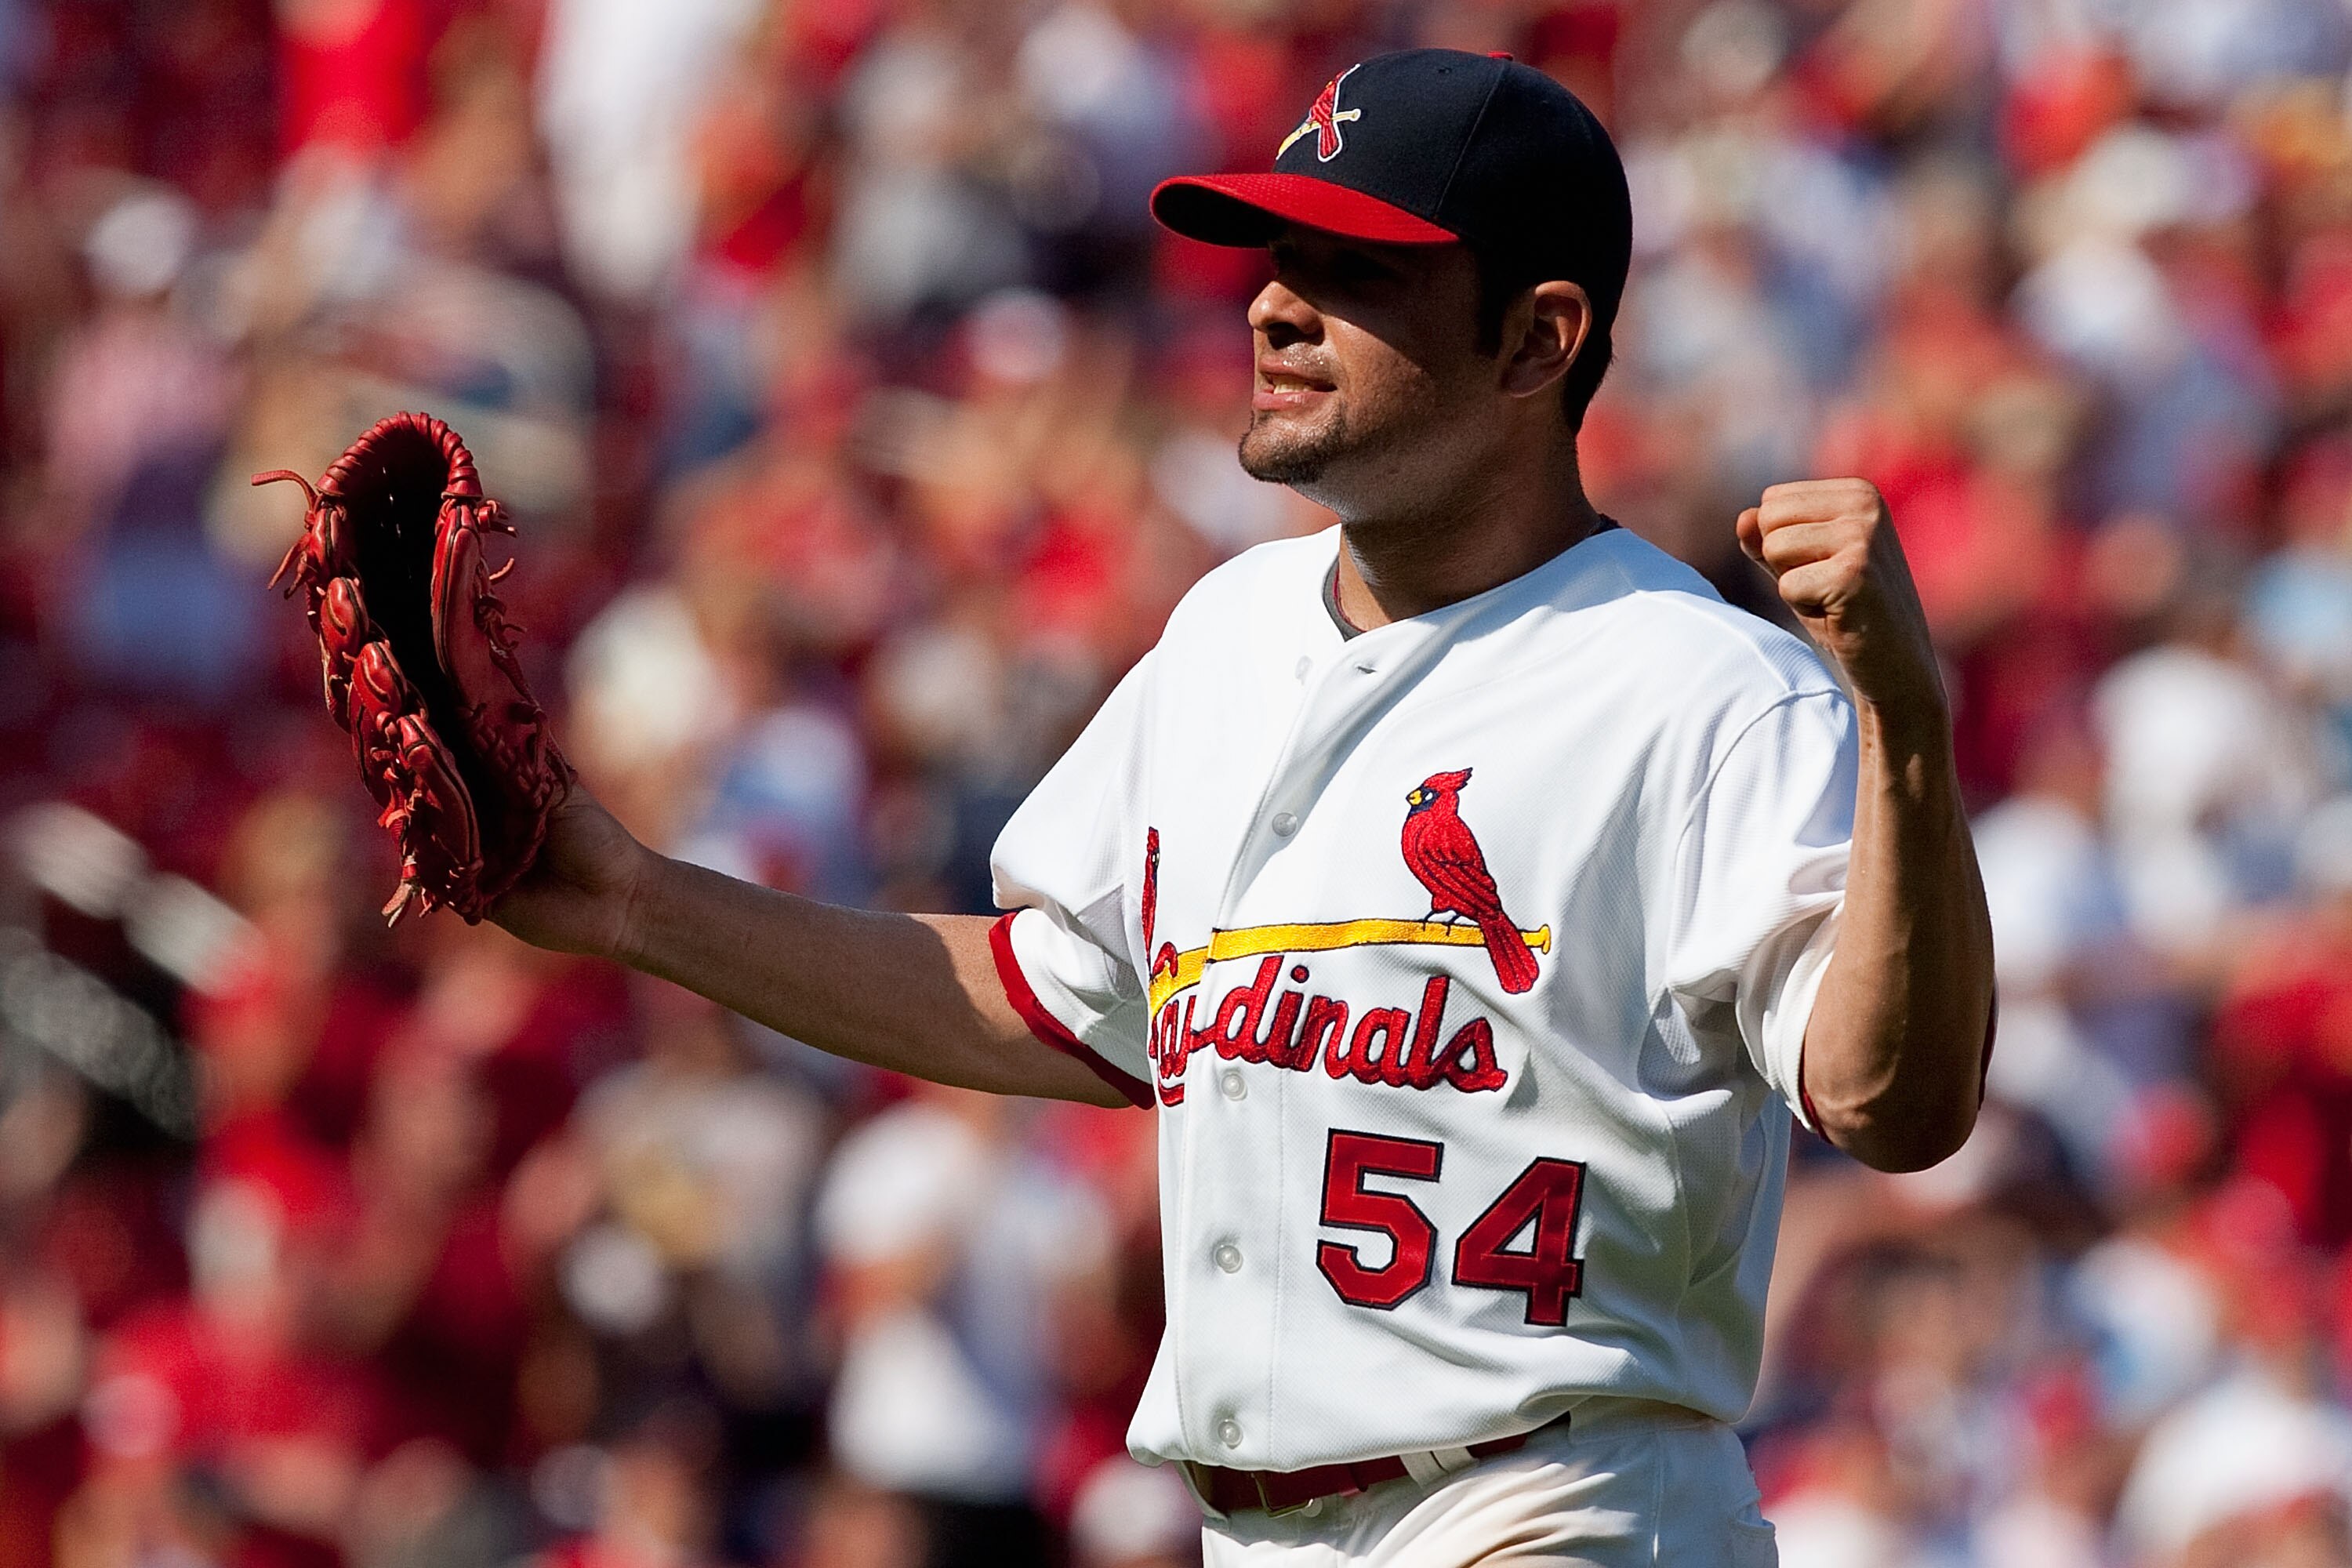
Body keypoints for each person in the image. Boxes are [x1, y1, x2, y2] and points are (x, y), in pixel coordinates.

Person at [492, 49, 1994, 1567]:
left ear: (1539, 341)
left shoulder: (1708, 688)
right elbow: (1054, 997)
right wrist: (633, 897)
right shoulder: (1225, 630)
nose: (1276, 305)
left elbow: (1893, 1101)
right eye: (1281, 257)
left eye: (1358, 270)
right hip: (1259, 1532)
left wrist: (1907, 731)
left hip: (1552, 1504)